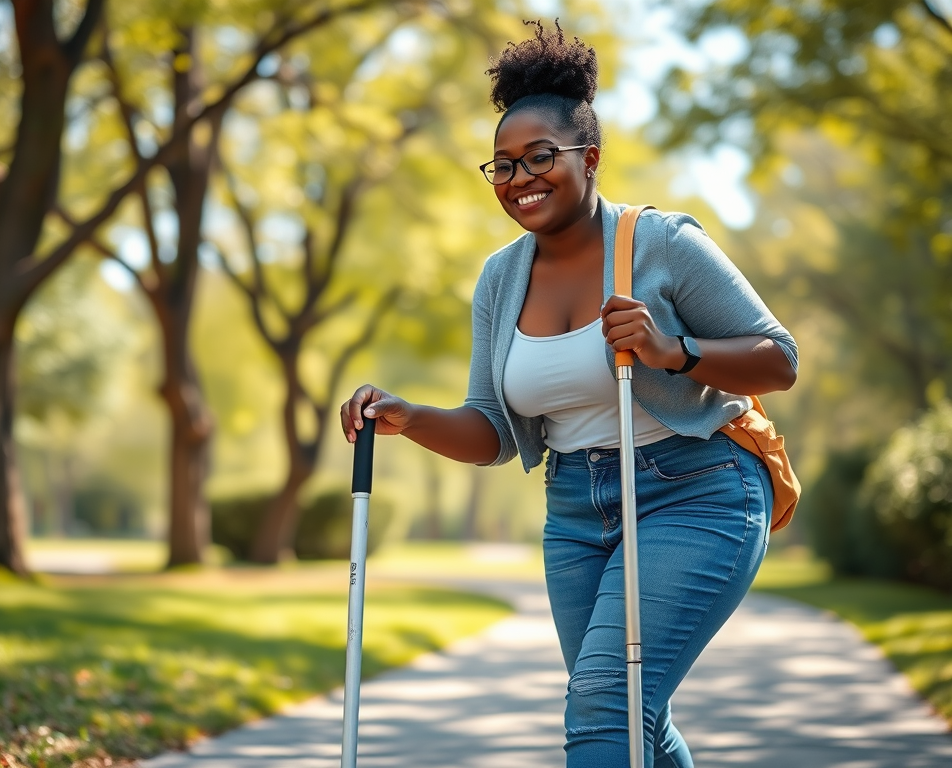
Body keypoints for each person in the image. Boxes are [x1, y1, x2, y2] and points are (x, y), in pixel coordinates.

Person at [339, 20, 798, 768]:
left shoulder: (661, 244)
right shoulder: (499, 278)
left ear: (590, 157)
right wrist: (409, 417)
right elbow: (493, 430)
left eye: (540, 158)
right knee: (631, 717)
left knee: (603, 708)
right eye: (503, 166)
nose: (520, 179)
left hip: (698, 489)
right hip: (577, 511)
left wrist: (671, 350)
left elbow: (778, 361)